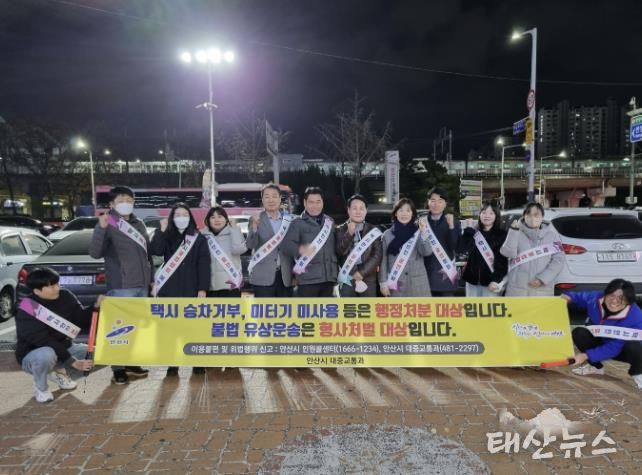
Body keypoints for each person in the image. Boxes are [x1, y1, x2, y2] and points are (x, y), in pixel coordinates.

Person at [89, 185, 150, 384]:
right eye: (121, 200)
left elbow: (146, 254)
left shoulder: (139, 223)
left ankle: (131, 363)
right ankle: (118, 368)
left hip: (141, 285)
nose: (126, 203)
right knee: (118, 329)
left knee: (136, 328)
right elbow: (95, 253)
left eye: (129, 200)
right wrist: (101, 228)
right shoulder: (108, 222)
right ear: (112, 203)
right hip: (121, 285)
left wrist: (151, 279)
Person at [15, 267, 98, 403]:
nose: (57, 288)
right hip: (34, 354)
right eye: (51, 286)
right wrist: (72, 362)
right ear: (37, 291)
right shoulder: (27, 308)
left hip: (65, 348)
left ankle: (58, 371)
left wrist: (96, 306)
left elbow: (80, 319)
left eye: (57, 284)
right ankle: (41, 388)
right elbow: (44, 340)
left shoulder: (65, 295)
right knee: (46, 355)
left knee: (98, 353)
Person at [151, 203, 211, 376]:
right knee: (170, 329)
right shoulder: (167, 236)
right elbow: (156, 250)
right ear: (172, 218)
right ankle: (172, 363)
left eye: (185, 214)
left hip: (191, 288)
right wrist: (161, 230)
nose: (181, 218)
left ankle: (197, 362)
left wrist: (202, 289)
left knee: (194, 328)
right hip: (170, 290)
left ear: (190, 217)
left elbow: (204, 265)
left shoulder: (198, 238)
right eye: (177, 215)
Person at [562, 279, 642, 389]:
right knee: (579, 333)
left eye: (621, 298)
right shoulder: (595, 298)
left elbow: (614, 347)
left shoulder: (635, 317)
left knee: (634, 345)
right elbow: (576, 296)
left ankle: (638, 373)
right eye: (612, 295)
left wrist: (585, 356)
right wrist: (565, 299)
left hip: (624, 350)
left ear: (628, 301)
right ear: (606, 294)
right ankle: (596, 367)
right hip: (603, 340)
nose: (614, 301)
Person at [500, 202, 565, 297]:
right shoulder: (516, 231)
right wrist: (513, 232)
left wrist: (543, 279)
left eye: (536, 215)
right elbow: (508, 253)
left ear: (542, 217)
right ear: (524, 216)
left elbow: (559, 260)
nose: (532, 218)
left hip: (542, 291)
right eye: (529, 215)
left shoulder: (552, 235)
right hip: (516, 290)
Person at [283, 187, 337, 297]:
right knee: (308, 308)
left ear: (322, 202)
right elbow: (286, 246)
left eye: (318, 202)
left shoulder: (329, 222)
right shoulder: (297, 223)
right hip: (307, 280)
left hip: (328, 278)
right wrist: (300, 249)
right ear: (305, 203)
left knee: (327, 308)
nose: (315, 206)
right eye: (311, 202)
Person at [246, 184, 295, 297]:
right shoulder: (256, 218)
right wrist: (254, 227)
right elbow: (250, 245)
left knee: (285, 308)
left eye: (274, 196)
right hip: (263, 276)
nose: (271, 200)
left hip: (285, 276)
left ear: (280, 199)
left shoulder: (289, 220)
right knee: (264, 308)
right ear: (262, 199)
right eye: (267, 197)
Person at [379, 198, 432, 297]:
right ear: (396, 213)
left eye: (408, 210)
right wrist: (383, 283)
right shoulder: (387, 234)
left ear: (412, 213)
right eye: (401, 210)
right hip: (396, 282)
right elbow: (383, 260)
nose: (404, 214)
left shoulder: (418, 231)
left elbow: (427, 252)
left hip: (417, 283)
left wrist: (424, 233)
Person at [335, 194, 383, 297]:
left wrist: (362, 272)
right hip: (347, 278)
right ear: (348, 210)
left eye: (361, 208)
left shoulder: (373, 231)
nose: (358, 211)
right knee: (348, 307)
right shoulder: (339, 230)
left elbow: (377, 255)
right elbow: (339, 252)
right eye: (354, 208)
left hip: (368, 278)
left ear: (366, 210)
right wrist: (349, 234)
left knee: (368, 307)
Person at [458, 202, 508, 297]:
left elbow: (503, 261)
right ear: (480, 215)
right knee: (472, 306)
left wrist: (496, 280)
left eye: (491, 213)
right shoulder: (473, 232)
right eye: (484, 212)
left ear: (496, 216)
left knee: (489, 307)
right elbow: (462, 250)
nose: (487, 216)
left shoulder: (502, 235)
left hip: (491, 283)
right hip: (471, 281)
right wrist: (468, 231)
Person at [201, 206, 247, 297]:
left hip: (231, 286)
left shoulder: (234, 232)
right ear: (208, 221)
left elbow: (239, 250)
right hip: (210, 286)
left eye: (220, 216)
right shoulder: (203, 236)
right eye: (213, 217)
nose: (217, 220)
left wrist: (234, 229)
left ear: (226, 219)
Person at [423, 187, 461, 297]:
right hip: (426, 275)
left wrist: (451, 227)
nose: (436, 204)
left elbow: (455, 247)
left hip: (446, 275)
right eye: (433, 200)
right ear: (428, 202)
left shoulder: (454, 222)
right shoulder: (421, 222)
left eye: (440, 201)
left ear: (445, 203)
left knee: (446, 307)